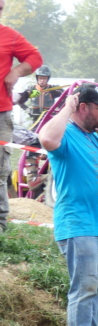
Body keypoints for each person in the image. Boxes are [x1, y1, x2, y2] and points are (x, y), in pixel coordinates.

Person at [37, 83, 98, 326]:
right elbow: (46, 139)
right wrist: (67, 108)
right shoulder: (65, 134)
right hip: (79, 223)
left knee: (96, 288)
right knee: (85, 287)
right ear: (82, 107)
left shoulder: (95, 139)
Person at [0, 5, 43, 233]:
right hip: (14, 113)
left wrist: (15, 72)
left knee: (0, 170)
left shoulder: (9, 35)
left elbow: (35, 57)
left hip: (2, 113)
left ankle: (0, 224)